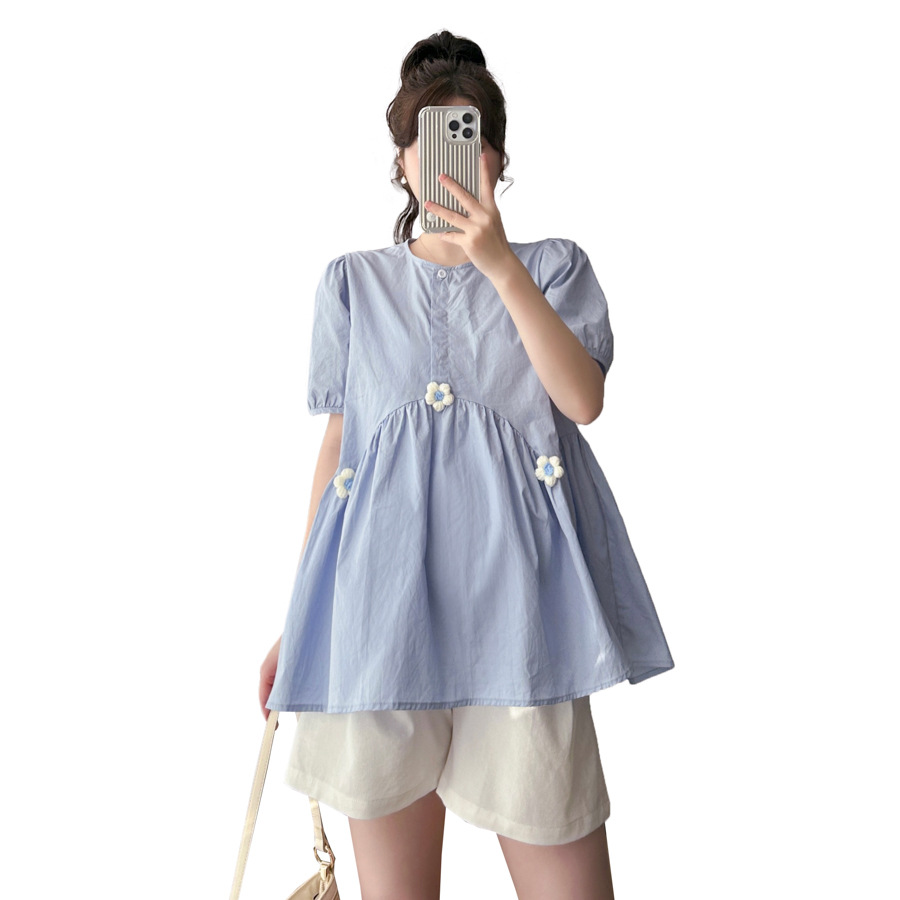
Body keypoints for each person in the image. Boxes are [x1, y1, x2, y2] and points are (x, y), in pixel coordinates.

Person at [258, 30, 674, 900]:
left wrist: (498, 261)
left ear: (497, 157)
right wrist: (301, 618)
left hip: (524, 620)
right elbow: (338, 452)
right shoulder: (352, 284)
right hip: (378, 621)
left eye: (469, 136)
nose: (448, 157)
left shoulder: (552, 268)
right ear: (403, 161)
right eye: (429, 138)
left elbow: (582, 401)